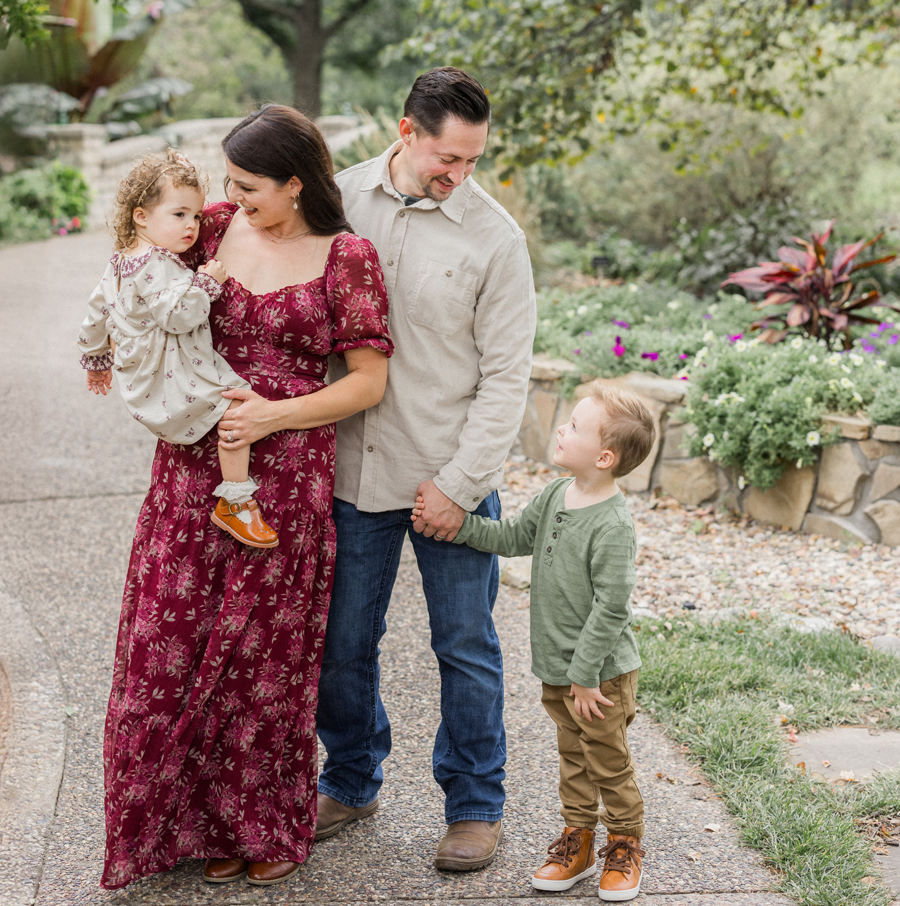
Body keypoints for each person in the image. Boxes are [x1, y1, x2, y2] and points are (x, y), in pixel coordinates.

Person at [94, 105, 393, 890]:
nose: (232, 197)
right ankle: (188, 823)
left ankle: (256, 820)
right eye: (229, 184)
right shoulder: (215, 226)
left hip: (288, 475)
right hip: (191, 468)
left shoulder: (347, 256)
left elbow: (368, 381)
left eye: (251, 186)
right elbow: (132, 266)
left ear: (297, 184)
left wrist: (275, 414)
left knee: (264, 654)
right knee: (173, 640)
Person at [316, 67, 536, 871]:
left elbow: (507, 378)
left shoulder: (495, 238)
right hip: (349, 471)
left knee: (467, 644)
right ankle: (348, 778)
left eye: (473, 160)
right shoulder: (335, 202)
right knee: (341, 642)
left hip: (451, 475)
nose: (460, 175)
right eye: (448, 158)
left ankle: (476, 803)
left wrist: (459, 485)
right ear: (406, 131)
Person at [413, 382, 653, 902]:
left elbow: (612, 609)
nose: (561, 429)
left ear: (605, 456)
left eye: (574, 426)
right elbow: (514, 538)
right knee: (573, 759)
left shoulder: (612, 525)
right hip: (561, 672)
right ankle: (579, 841)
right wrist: (458, 529)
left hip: (598, 676)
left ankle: (625, 845)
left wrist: (585, 676)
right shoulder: (555, 495)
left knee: (607, 761)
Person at [78, 148, 278, 549]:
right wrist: (207, 282)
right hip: (173, 374)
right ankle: (236, 501)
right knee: (238, 407)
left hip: (142, 380)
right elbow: (178, 316)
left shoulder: (120, 262)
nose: (191, 226)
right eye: (179, 214)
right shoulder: (161, 264)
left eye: (196, 216)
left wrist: (97, 360)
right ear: (141, 216)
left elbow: (95, 312)